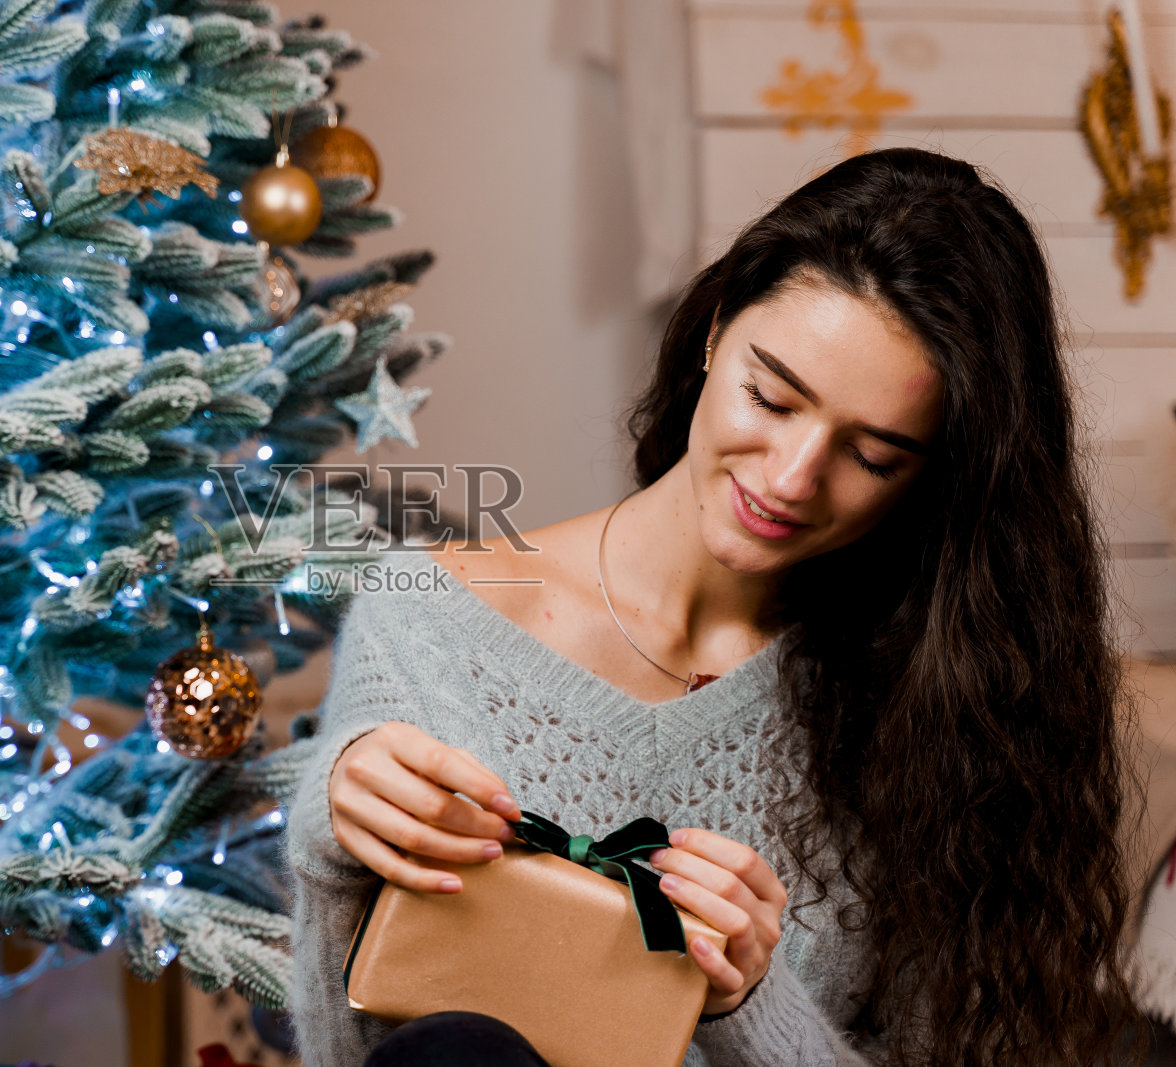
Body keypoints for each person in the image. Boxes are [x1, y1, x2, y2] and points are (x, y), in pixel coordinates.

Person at [283, 147, 1144, 1066]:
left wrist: (749, 1006)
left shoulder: (944, 711)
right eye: (770, 397)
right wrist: (330, 850)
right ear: (715, 328)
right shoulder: (432, 625)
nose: (790, 478)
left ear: (936, 479)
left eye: (875, 456)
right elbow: (356, 1052)